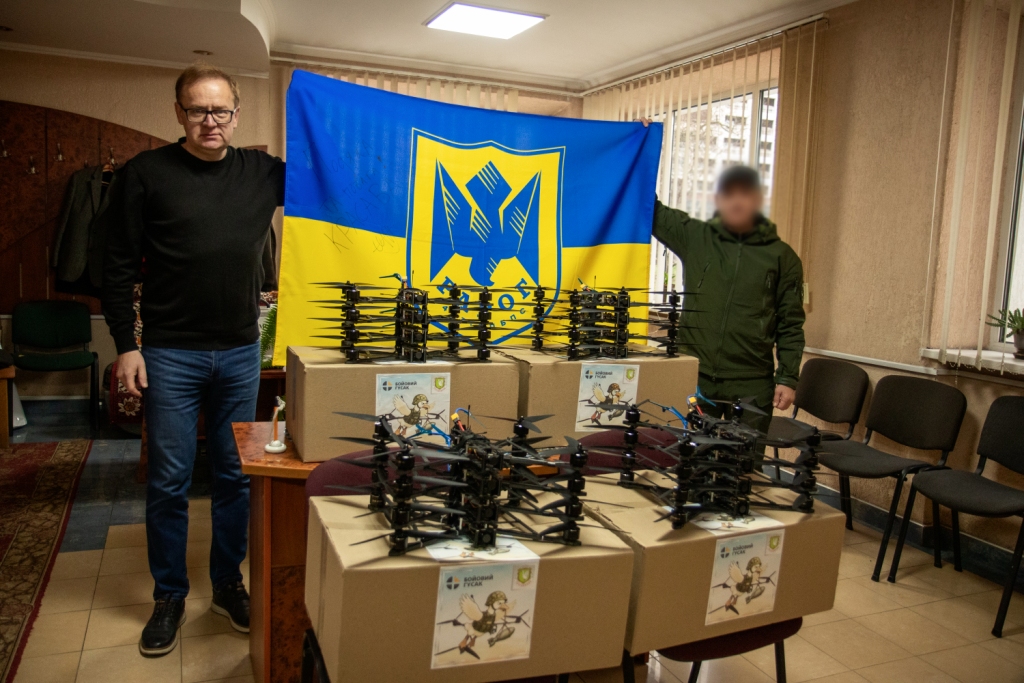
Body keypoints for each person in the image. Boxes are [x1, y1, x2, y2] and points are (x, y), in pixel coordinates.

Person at [103, 63, 285, 657]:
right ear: (179, 112)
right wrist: (126, 346)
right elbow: (116, 264)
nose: (211, 121)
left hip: (240, 352)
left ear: (237, 113)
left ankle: (228, 584)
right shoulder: (145, 174)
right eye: (198, 110)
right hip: (169, 353)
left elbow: (332, 182)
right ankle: (169, 596)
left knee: (235, 477)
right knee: (169, 480)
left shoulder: (263, 173)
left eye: (221, 110)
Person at [649, 156, 805, 433]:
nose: (736, 201)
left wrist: (787, 378)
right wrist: (638, 150)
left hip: (752, 383)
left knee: (743, 459)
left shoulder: (782, 257)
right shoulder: (696, 237)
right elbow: (651, 209)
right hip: (696, 376)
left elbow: (790, 324)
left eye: (745, 194)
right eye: (729, 194)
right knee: (692, 454)